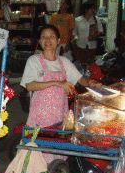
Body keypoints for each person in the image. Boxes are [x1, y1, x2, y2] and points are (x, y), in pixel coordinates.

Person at [20, 24, 98, 162]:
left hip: (59, 117)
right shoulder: (34, 61)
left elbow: (81, 80)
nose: (47, 40)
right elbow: (30, 86)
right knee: (37, 153)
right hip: (39, 119)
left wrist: (92, 83)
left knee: (56, 155)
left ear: (58, 40)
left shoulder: (64, 62)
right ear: (39, 41)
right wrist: (57, 83)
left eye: (51, 37)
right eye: (43, 37)